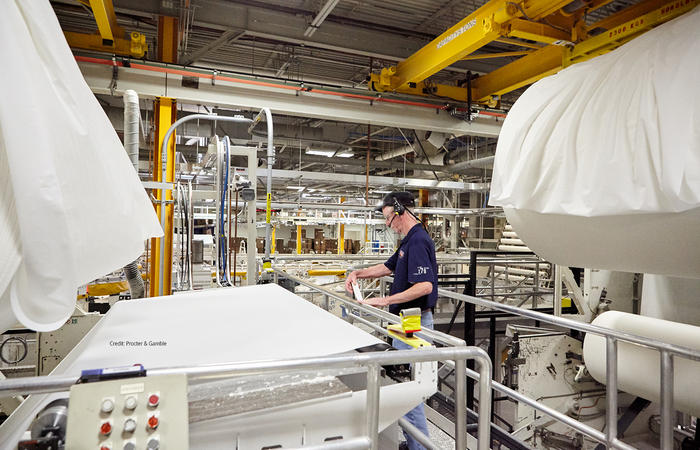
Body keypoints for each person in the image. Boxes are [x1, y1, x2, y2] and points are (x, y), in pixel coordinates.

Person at [345, 191, 438, 450]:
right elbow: (388, 266)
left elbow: (425, 286)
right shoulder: (408, 240)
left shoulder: (418, 240)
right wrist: (358, 273)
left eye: (388, 219)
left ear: (400, 211)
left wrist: (384, 301)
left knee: (405, 388)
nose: (388, 225)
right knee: (402, 384)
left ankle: (419, 447)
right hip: (405, 321)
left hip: (414, 322)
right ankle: (414, 443)